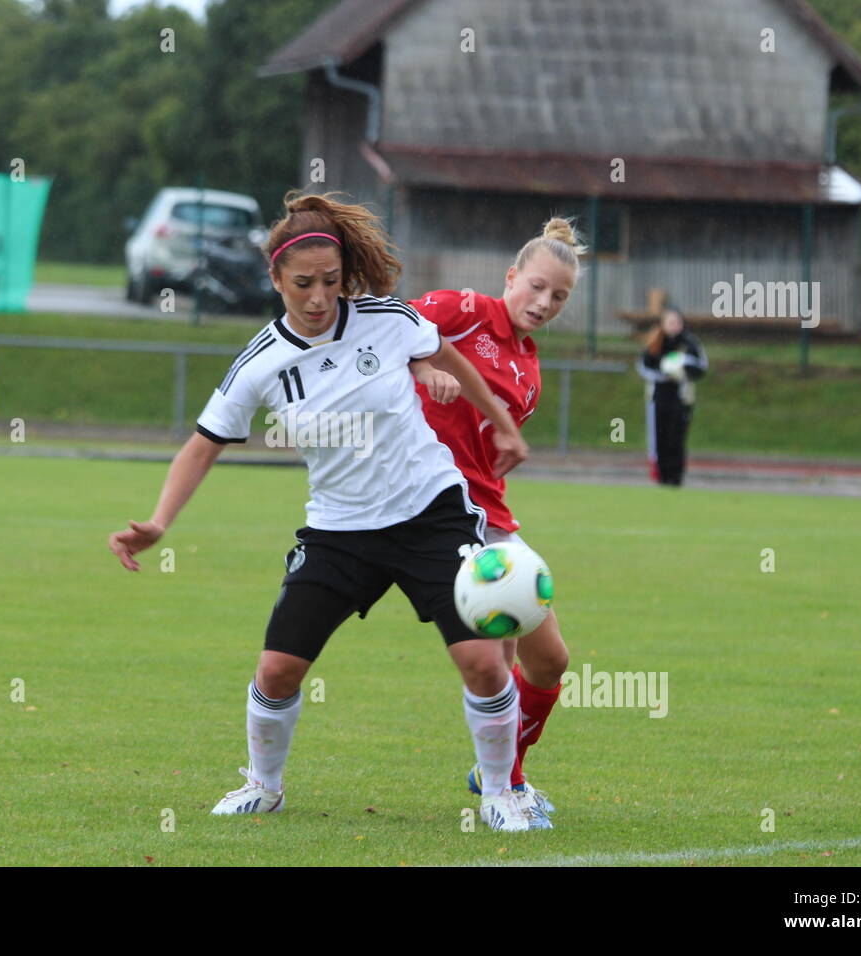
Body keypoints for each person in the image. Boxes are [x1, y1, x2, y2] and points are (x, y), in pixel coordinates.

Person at [108, 191, 540, 831]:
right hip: (339, 531)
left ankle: (502, 794)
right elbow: (202, 446)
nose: (318, 297)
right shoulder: (261, 360)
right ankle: (263, 785)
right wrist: (159, 523)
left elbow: (442, 351)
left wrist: (500, 421)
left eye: (331, 283)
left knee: (482, 660)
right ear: (275, 279)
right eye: (302, 284)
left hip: (431, 512)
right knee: (277, 669)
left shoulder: (386, 319)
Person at [405, 218, 583, 830]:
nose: (544, 303)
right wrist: (424, 373)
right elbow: (378, 342)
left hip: (490, 514)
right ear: (511, 277)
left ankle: (502, 772)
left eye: (558, 297)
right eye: (536, 287)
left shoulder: (530, 373)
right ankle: (503, 785)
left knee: (550, 661)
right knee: (500, 658)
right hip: (434, 508)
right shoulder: (460, 309)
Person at [636, 306, 708, 486]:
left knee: (676, 438)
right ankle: (661, 476)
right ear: (662, 324)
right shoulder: (655, 343)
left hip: (681, 397)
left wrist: (682, 371)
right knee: (659, 437)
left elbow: (701, 367)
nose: (673, 325)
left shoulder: (690, 343)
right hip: (658, 397)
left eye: (677, 322)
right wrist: (663, 375)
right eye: (669, 322)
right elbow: (644, 367)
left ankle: (676, 477)